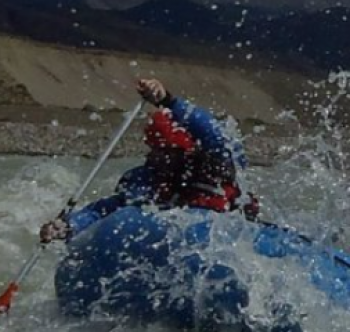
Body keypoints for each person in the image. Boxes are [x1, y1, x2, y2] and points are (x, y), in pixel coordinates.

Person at [39, 78, 251, 243]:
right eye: (156, 151)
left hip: (221, 232)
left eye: (167, 152)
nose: (158, 158)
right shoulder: (145, 179)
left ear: (188, 151)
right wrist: (70, 224)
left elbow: (213, 131)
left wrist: (168, 101)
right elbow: (105, 209)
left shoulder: (217, 164)